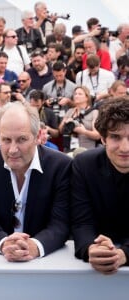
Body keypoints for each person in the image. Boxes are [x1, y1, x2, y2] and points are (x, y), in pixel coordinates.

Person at [0, 102, 71, 261]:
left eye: (21, 139)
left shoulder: (61, 166)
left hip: (46, 264)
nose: (12, 150)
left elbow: (61, 224)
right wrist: (4, 244)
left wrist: (35, 246)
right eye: (6, 140)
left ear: (38, 137)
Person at [71, 97, 129, 274]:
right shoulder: (84, 165)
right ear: (103, 139)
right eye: (115, 137)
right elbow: (81, 222)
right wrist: (90, 249)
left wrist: (124, 254)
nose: (125, 147)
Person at [59, 86, 100, 152]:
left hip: (87, 150)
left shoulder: (94, 112)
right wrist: (65, 122)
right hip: (69, 149)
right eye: (75, 94)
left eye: (80, 94)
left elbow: (98, 135)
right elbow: (60, 131)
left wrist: (84, 131)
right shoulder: (70, 111)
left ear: (87, 97)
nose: (76, 96)